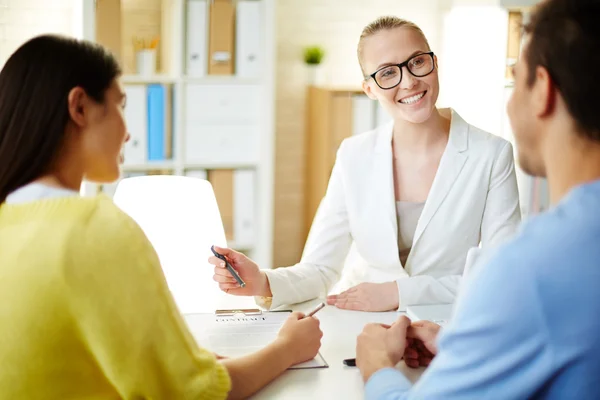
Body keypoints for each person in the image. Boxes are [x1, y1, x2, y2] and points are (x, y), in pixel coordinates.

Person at [0, 35, 322, 400]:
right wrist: (288, 349)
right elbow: (194, 393)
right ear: (80, 107)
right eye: (120, 106)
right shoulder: (95, 228)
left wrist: (188, 361)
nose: (128, 132)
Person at [355, 0, 600, 397]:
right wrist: (462, 343)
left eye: (514, 77)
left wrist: (377, 366)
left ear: (543, 91)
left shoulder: (530, 266)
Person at [209, 16, 521, 312]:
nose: (409, 81)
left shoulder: (491, 154)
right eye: (387, 72)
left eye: (417, 62)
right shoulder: (353, 155)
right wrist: (262, 281)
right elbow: (320, 268)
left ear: (434, 63)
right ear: (369, 89)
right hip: (359, 326)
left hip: (444, 328)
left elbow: (500, 277)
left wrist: (398, 292)